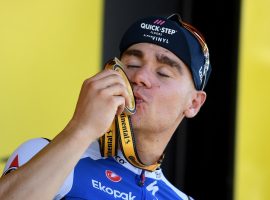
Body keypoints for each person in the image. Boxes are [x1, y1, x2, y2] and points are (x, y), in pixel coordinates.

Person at [0, 13, 211, 200]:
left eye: (163, 73)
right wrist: (80, 129)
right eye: (132, 65)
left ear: (193, 103)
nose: (139, 77)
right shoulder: (42, 154)